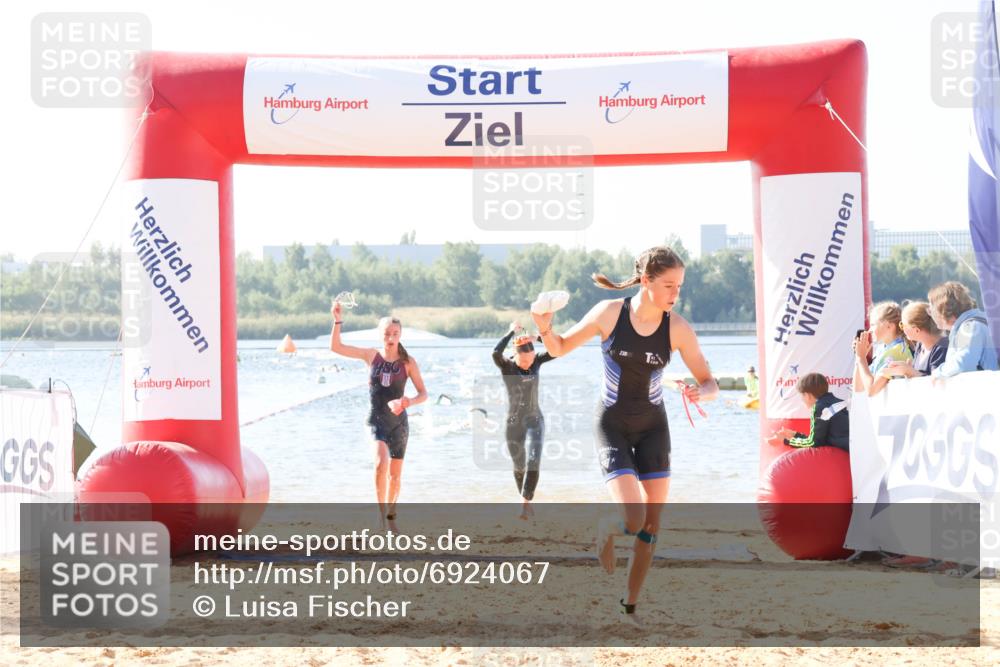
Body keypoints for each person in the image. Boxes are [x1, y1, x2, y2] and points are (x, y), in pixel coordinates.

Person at [530, 245, 718, 623]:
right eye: (668, 285)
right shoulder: (610, 313)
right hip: (612, 425)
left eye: (679, 286)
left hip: (653, 429)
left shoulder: (678, 328)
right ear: (646, 281)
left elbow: (709, 381)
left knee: (651, 525)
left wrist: (703, 392)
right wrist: (543, 325)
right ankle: (607, 528)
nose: (676, 294)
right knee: (632, 520)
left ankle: (629, 605)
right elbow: (560, 347)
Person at [329, 301, 428, 531]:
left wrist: (408, 402)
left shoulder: (408, 363)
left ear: (400, 335)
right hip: (376, 421)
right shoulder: (371, 356)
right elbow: (336, 347)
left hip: (399, 425)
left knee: (395, 477)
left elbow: (423, 393)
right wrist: (337, 320)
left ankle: (391, 517)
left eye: (395, 333)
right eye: (386, 333)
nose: (390, 337)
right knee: (380, 464)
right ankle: (381, 516)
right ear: (380, 334)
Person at [492, 321, 556, 519]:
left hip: (535, 418)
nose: (529, 363)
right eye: (525, 360)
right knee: (519, 466)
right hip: (513, 422)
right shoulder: (507, 366)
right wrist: (511, 332)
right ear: (515, 354)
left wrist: (536, 338)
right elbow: (495, 353)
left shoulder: (536, 362)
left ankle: (524, 502)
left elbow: (557, 350)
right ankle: (525, 500)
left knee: (534, 459)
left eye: (531, 359)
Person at [927, 281, 999, 377]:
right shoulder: (979, 322)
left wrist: (937, 373)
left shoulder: (970, 327)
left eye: (931, 310)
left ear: (943, 310)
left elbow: (963, 364)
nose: (931, 314)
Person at [767, 373, 849, 451]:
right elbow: (818, 439)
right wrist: (794, 434)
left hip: (848, 453)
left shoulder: (819, 407)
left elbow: (813, 443)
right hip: (852, 448)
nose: (802, 399)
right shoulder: (839, 402)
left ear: (808, 395)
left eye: (802, 395)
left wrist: (785, 440)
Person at [853, 301, 912, 396]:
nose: (870, 330)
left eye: (873, 325)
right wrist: (859, 356)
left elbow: (871, 390)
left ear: (889, 326)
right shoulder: (883, 349)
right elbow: (859, 388)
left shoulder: (897, 351)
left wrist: (861, 358)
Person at [885, 302, 948, 378]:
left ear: (916, 330)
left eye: (902, 325)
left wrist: (910, 371)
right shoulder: (920, 346)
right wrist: (907, 371)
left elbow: (936, 381)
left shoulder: (942, 348)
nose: (902, 329)